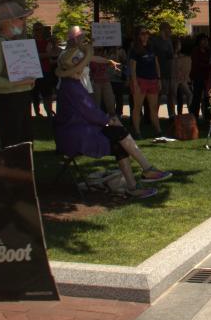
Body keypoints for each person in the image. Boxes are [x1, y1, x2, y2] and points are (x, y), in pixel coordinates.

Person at [54, 40, 170, 199]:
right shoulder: (72, 86)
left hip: (79, 129)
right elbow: (90, 112)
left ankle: (135, 183)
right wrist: (108, 119)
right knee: (119, 134)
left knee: (118, 138)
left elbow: (89, 112)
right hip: (75, 135)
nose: (86, 66)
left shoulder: (72, 83)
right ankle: (145, 171)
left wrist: (108, 120)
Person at [0, 2, 37, 147]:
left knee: (25, 140)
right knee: (13, 142)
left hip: (21, 98)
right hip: (9, 100)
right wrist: (18, 82)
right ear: (9, 22)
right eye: (21, 18)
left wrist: (29, 79)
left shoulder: (13, 42)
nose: (24, 22)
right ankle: (14, 168)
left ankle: (23, 168)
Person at [129, 28, 161, 138]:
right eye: (142, 33)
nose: (145, 35)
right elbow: (132, 68)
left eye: (147, 33)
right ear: (138, 36)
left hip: (153, 80)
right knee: (137, 107)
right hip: (140, 80)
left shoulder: (152, 48)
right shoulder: (134, 50)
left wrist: (159, 78)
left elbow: (156, 64)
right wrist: (135, 84)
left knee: (153, 107)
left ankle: (158, 130)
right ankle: (137, 132)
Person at [31, 22, 57, 118]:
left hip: (45, 71)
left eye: (40, 29)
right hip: (33, 72)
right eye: (36, 29)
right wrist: (44, 54)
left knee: (47, 94)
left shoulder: (47, 42)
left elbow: (50, 54)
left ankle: (49, 113)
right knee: (34, 95)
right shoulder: (30, 42)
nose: (38, 32)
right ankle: (37, 114)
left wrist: (38, 55)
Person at [151, 24, 175, 121]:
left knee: (171, 94)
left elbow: (171, 55)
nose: (170, 31)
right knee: (158, 94)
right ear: (163, 30)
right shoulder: (155, 41)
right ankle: (154, 115)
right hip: (159, 72)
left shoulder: (169, 41)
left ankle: (172, 115)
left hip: (168, 71)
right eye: (168, 29)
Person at [189, 34, 211, 121]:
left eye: (206, 40)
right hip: (198, 76)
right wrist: (208, 65)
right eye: (203, 40)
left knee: (207, 97)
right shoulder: (195, 51)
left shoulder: (209, 51)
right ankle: (195, 116)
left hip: (207, 77)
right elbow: (196, 63)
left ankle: (207, 117)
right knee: (197, 97)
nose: (205, 42)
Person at [173, 38, 192, 117]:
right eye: (178, 44)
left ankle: (189, 112)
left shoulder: (182, 56)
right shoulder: (172, 56)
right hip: (175, 78)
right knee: (174, 96)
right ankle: (175, 115)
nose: (179, 46)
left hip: (182, 79)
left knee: (189, 94)